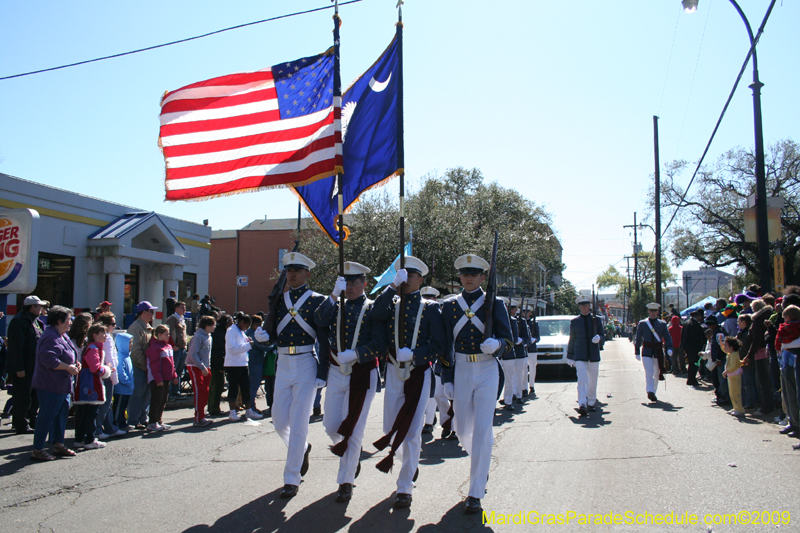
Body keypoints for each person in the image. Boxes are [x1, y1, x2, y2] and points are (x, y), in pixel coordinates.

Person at [441, 253, 513, 515]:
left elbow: (509, 340)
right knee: (462, 430)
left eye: (474, 274)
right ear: (460, 276)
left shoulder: (495, 303)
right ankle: (481, 467)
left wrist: (498, 345)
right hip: (460, 368)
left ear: (483, 277)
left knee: (483, 429)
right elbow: (445, 345)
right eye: (464, 274)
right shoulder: (449, 306)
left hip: (487, 369)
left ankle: (475, 491)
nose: (468, 278)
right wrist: (446, 377)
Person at [373, 256, 446, 509]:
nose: (407, 280)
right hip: (393, 370)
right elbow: (375, 314)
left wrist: (416, 355)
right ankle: (410, 464)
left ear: (421, 280)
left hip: (417, 372)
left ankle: (405, 486)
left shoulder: (430, 308)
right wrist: (391, 286)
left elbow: (439, 345)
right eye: (403, 276)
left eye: (411, 276)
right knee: (390, 427)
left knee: (412, 431)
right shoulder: (390, 302)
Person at [314, 261, 388, 502]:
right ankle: (351, 456)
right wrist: (333, 294)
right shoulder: (335, 306)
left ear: (364, 283)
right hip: (337, 369)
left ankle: (346, 480)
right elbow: (319, 321)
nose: (350, 287)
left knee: (354, 428)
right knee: (331, 425)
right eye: (346, 282)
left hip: (362, 372)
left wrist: (358, 353)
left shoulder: (372, 308)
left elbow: (380, 343)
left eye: (355, 282)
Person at [265, 252, 329, 499]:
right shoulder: (278, 301)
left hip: (305, 362)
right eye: (289, 269)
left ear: (307, 274)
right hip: (283, 362)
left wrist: (323, 371)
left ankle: (291, 478)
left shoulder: (317, 301)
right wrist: (265, 338)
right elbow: (272, 329)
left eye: (297, 269)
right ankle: (302, 448)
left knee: (300, 420)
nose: (291, 273)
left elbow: (323, 340)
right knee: (279, 420)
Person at [30, 306, 78, 461]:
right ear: (59, 321)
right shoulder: (50, 336)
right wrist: (68, 368)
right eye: (68, 320)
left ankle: (58, 444)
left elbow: (69, 354)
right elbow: (48, 359)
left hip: (62, 386)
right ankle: (38, 449)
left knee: (60, 417)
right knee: (46, 417)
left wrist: (76, 364)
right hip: (50, 385)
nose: (70, 323)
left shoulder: (62, 335)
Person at [6, 295, 45, 434]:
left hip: (36, 367)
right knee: (22, 396)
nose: (41, 309)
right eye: (39, 306)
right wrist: (19, 368)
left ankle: (32, 420)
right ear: (32, 307)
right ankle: (20, 424)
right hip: (25, 367)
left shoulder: (37, 322)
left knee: (35, 396)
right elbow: (16, 347)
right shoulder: (19, 321)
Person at [73, 323, 113, 449]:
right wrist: (107, 370)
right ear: (95, 335)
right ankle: (89, 439)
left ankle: (80, 438)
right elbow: (95, 368)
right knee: (90, 412)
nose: (105, 335)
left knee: (83, 412)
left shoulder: (92, 347)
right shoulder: (93, 348)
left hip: (87, 383)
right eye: (103, 333)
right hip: (90, 384)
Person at [566, 295, 604, 415]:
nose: (584, 307)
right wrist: (570, 355)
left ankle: (591, 402)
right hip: (580, 354)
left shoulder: (597, 320)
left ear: (589, 306)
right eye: (581, 305)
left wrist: (599, 338)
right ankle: (582, 404)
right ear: (579, 307)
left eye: (586, 304)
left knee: (593, 380)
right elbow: (572, 339)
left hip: (593, 354)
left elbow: (602, 335)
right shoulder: (575, 321)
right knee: (582, 380)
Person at [93, 313, 125, 439]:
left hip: (108, 372)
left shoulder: (109, 336)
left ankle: (109, 427)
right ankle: (98, 429)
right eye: (112, 324)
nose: (114, 326)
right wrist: (114, 376)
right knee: (104, 404)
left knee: (107, 404)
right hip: (106, 373)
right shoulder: (106, 338)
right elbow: (109, 358)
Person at [634, 303, 673, 402]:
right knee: (649, 372)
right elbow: (638, 338)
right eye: (651, 311)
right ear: (648, 311)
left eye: (655, 311)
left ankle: (653, 391)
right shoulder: (643, 323)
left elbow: (668, 338)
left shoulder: (662, 324)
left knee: (657, 372)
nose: (653, 313)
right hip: (647, 350)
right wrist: (637, 351)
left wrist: (669, 348)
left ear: (658, 312)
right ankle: (650, 391)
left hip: (658, 351)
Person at [127, 302, 156, 429]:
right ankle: (133, 420)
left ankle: (143, 418)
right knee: (137, 395)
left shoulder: (147, 327)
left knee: (146, 395)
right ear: (143, 313)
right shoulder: (135, 328)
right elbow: (135, 351)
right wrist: (145, 366)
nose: (152, 315)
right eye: (151, 312)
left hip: (148, 367)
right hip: (139, 367)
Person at [745, 299, 774, 416]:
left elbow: (756, 340)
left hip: (761, 353)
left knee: (762, 382)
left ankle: (766, 407)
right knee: (768, 381)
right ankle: (769, 406)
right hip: (769, 351)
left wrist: (749, 355)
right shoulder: (769, 317)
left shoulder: (757, 321)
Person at [146, 324, 177, 431]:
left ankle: (158, 420)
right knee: (156, 399)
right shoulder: (155, 348)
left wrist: (174, 376)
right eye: (166, 334)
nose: (168, 336)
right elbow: (154, 365)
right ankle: (152, 422)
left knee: (163, 400)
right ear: (159, 335)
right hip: (158, 379)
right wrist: (158, 379)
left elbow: (171, 364)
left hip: (167, 378)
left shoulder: (168, 346)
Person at [225, 314, 256, 421]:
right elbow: (232, 348)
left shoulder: (241, 332)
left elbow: (242, 345)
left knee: (245, 387)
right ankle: (232, 412)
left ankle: (249, 411)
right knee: (233, 388)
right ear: (241, 322)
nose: (247, 328)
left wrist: (247, 342)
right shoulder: (231, 330)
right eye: (246, 326)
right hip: (233, 364)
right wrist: (248, 345)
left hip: (243, 363)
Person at [186, 315, 215, 427]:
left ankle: (202, 415)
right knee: (199, 392)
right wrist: (202, 367)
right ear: (206, 325)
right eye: (212, 325)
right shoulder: (198, 337)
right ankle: (198, 418)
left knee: (205, 392)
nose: (214, 327)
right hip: (196, 367)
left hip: (205, 367)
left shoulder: (209, 337)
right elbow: (192, 354)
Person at [245, 315, 270, 416]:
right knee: (254, 386)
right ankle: (251, 407)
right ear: (255, 325)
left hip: (253, 361)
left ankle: (251, 406)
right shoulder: (254, 334)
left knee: (252, 385)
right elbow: (263, 347)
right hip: (255, 362)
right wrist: (274, 345)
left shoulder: (249, 333)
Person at [208, 314, 232, 416]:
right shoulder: (220, 334)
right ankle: (214, 408)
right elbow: (218, 351)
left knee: (216, 386)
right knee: (217, 386)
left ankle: (213, 407)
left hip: (216, 363)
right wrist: (220, 366)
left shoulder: (220, 332)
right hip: (216, 364)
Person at [499, 299, 520, 411]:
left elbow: (515, 338)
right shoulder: (492, 318)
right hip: (494, 354)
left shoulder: (512, 320)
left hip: (508, 353)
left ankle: (508, 400)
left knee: (509, 379)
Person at [166, 301, 188, 400]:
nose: (184, 309)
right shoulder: (172, 319)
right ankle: (170, 393)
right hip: (175, 349)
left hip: (182, 349)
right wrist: (173, 345)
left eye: (184, 307)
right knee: (173, 371)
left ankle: (177, 391)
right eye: (182, 307)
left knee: (179, 371)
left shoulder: (182, 319)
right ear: (176, 309)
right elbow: (168, 334)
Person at [112, 331, 134, 432]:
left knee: (123, 407)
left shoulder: (127, 356)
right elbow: (121, 374)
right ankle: (116, 424)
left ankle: (123, 423)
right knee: (119, 408)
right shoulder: (120, 356)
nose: (131, 344)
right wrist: (128, 382)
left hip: (127, 389)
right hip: (122, 389)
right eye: (129, 342)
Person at [682, 309, 706, 387]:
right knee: (693, 364)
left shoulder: (686, 323)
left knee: (691, 363)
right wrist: (701, 340)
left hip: (688, 347)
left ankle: (691, 378)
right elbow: (695, 336)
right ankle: (692, 379)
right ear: (696, 316)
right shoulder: (694, 324)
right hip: (694, 347)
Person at [722, 336, 744, 416]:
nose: (724, 347)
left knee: (736, 393)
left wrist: (726, 371)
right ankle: (735, 407)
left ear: (731, 347)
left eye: (726, 346)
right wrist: (721, 341)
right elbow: (723, 349)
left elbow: (733, 366)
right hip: (731, 376)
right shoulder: (731, 354)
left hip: (735, 375)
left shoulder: (734, 355)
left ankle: (739, 409)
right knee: (732, 393)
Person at [525, 308, 540, 398]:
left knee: (532, 368)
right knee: (523, 369)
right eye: (524, 311)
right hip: (524, 349)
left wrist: (534, 339)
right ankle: (524, 387)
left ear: (530, 313)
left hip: (532, 349)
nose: (525, 313)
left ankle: (532, 385)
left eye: (527, 311)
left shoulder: (534, 323)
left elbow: (538, 337)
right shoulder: (520, 322)